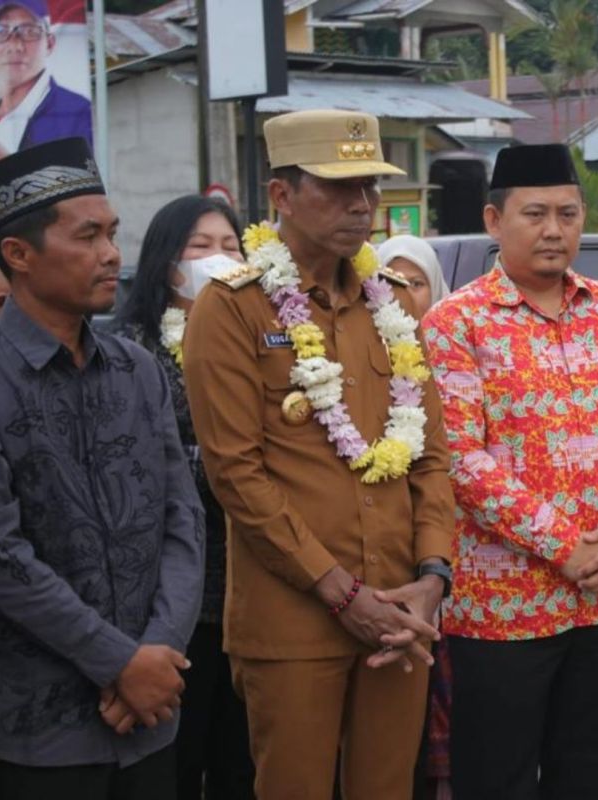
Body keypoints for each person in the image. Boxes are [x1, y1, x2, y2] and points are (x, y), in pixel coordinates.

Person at [182, 110, 456, 800]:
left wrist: (432, 579)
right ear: (281, 195)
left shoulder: (389, 304)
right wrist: (341, 593)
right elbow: (235, 476)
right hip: (294, 619)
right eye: (337, 188)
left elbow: (429, 459)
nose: (361, 205)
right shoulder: (232, 307)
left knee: (388, 790)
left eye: (367, 186)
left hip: (400, 614)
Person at [421, 143, 598, 800]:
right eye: (534, 214)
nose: (553, 230)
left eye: (567, 214)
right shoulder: (457, 324)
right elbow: (462, 460)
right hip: (502, 612)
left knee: (595, 777)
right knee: (497, 780)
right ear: (493, 220)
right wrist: (565, 547)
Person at [0, 138, 204, 798]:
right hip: (35, 729)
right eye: (89, 237)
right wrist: (118, 661)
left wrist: (156, 657)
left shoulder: (137, 368)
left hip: (151, 713)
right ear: (19, 255)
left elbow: (181, 515)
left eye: (112, 233)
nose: (112, 254)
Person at [109, 195, 255, 800]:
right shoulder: (131, 348)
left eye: (230, 247)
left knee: (240, 762)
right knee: (175, 759)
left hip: (251, 589)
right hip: (171, 602)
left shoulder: (264, 340)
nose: (218, 260)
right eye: (200, 248)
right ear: (167, 262)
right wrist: (235, 467)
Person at [374, 234, 452, 800]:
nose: (401, 296)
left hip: (446, 568)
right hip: (378, 575)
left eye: (415, 282)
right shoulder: (355, 358)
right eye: (389, 281)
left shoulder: (456, 349)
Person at [0, 0, 92, 166]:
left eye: (29, 31)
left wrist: (3, 165)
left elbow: (82, 189)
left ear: (49, 43)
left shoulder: (76, 114)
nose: (15, 45)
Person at [375, 234, 450, 318]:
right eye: (393, 284)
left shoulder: (455, 328)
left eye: (416, 284)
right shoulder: (362, 329)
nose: (406, 296)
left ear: (435, 288)